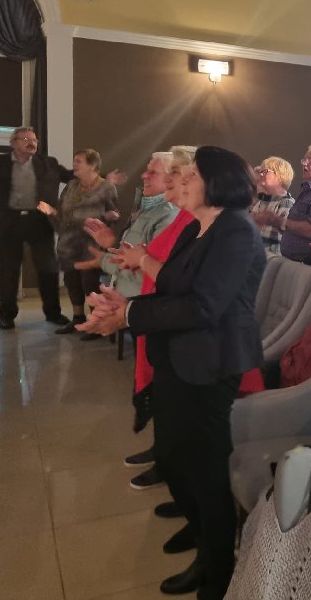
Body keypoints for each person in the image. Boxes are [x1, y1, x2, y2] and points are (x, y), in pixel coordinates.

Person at [77, 146, 266, 600]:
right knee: (175, 459)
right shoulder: (199, 228)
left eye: (193, 174)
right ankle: (203, 543)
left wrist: (128, 317)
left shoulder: (236, 231)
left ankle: (218, 572)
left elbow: (204, 306)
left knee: (204, 470)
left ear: (217, 182)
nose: (183, 180)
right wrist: (127, 303)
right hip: (179, 358)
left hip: (209, 363)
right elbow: (171, 283)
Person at [110, 147, 196, 493]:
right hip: (156, 312)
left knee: (175, 401)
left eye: (174, 174)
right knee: (163, 393)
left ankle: (170, 463)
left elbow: (178, 280)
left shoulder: (192, 222)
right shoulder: (183, 218)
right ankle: (163, 453)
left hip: (173, 322)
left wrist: (141, 262)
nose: (146, 177)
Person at [0, 127, 74, 329]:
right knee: (8, 271)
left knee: (48, 268)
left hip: (39, 221)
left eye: (34, 139)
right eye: (25, 139)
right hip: (8, 221)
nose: (31, 142)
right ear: (13, 142)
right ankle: (7, 316)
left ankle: (53, 313)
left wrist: (103, 177)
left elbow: (72, 176)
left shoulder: (48, 163)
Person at [38, 149, 119, 337]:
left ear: (92, 165)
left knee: (89, 283)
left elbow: (113, 213)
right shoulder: (71, 185)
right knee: (71, 281)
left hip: (91, 244)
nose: (74, 165)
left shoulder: (106, 187)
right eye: (74, 161)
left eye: (78, 161)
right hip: (68, 243)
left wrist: (110, 216)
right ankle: (78, 318)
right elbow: (61, 212)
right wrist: (51, 211)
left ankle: (96, 322)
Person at [79, 153, 178, 301]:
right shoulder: (148, 209)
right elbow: (131, 255)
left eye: (153, 172)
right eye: (147, 170)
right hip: (127, 303)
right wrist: (111, 243)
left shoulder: (169, 216)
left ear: (173, 179)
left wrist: (103, 260)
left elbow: (155, 273)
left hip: (140, 306)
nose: (144, 175)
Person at [249, 156, 295, 255]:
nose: (261, 174)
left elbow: (281, 236)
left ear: (279, 176)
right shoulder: (261, 201)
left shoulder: (286, 202)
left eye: (265, 171)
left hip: (272, 256)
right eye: (261, 172)